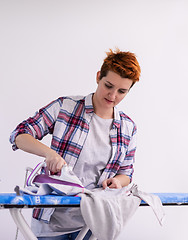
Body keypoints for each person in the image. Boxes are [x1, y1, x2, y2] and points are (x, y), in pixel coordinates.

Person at [9, 48, 141, 240]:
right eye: (108, 86)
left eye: (122, 91)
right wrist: (49, 154)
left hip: (93, 224)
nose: (112, 95)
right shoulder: (65, 107)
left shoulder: (128, 128)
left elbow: (126, 173)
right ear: (98, 77)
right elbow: (19, 135)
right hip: (51, 222)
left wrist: (117, 182)